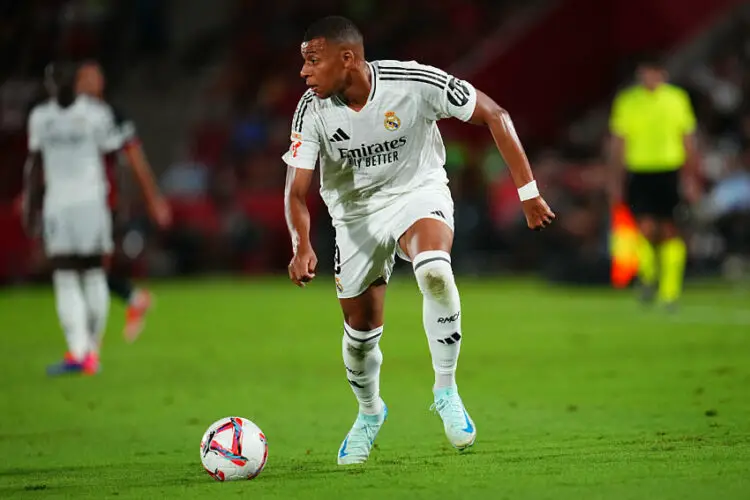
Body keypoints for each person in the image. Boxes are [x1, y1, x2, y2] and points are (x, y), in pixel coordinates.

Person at [282, 16, 555, 465]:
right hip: (354, 217)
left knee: (433, 270)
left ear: (347, 58)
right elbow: (295, 191)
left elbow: (494, 114)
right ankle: (370, 413)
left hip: (416, 191)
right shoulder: (311, 110)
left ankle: (445, 389)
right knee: (360, 336)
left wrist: (528, 192)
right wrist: (301, 243)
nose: (304, 72)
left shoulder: (412, 82)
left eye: (313, 61)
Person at [23, 63, 125, 375]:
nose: (61, 86)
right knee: (66, 274)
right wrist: (31, 205)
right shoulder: (41, 117)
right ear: (49, 84)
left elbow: (114, 158)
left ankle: (89, 350)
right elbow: (35, 164)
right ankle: (80, 351)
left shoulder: (96, 113)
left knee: (93, 272)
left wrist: (118, 201)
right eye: (56, 81)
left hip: (92, 202)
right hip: (58, 205)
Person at [76, 61, 172, 341]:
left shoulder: (112, 117)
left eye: (91, 77)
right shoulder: (68, 117)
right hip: (73, 203)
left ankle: (89, 344)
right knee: (86, 268)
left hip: (101, 202)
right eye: (82, 78)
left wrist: (153, 199)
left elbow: (135, 160)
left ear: (101, 82)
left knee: (88, 267)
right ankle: (132, 299)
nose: (86, 84)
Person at [609, 56, 700, 309]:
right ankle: (648, 278)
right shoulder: (627, 102)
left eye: (655, 72)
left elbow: (688, 138)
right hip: (639, 170)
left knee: (670, 230)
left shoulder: (677, 99)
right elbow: (619, 143)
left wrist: (692, 176)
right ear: (640, 74)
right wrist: (615, 179)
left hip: (670, 170)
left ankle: (669, 292)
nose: (651, 77)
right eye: (646, 72)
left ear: (663, 74)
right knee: (645, 228)